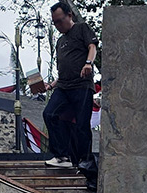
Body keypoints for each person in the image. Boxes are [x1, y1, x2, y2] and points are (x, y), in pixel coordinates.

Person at [42, 2, 98, 169]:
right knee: (49, 114)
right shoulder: (60, 42)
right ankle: (62, 156)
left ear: (69, 15)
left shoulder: (82, 28)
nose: (58, 25)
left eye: (60, 21)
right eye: (55, 23)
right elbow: (64, 71)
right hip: (63, 87)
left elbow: (92, 47)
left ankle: (85, 161)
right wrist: (50, 85)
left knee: (82, 124)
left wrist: (88, 63)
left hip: (82, 85)